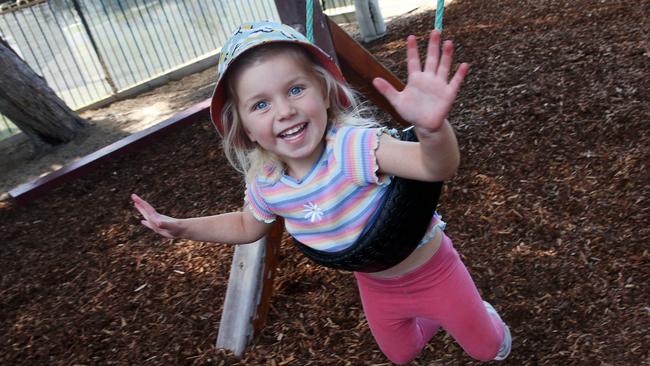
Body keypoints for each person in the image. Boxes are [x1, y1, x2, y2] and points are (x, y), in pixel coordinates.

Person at [131, 21, 511, 364]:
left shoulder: (352, 147)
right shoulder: (267, 181)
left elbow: (437, 167)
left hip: (434, 271)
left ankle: (481, 316)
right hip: (376, 283)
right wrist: (183, 228)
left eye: (296, 89)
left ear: (326, 93)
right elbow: (247, 226)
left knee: (486, 349)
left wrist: (432, 131)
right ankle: (443, 316)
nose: (284, 111)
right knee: (401, 353)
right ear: (244, 127)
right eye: (261, 104)